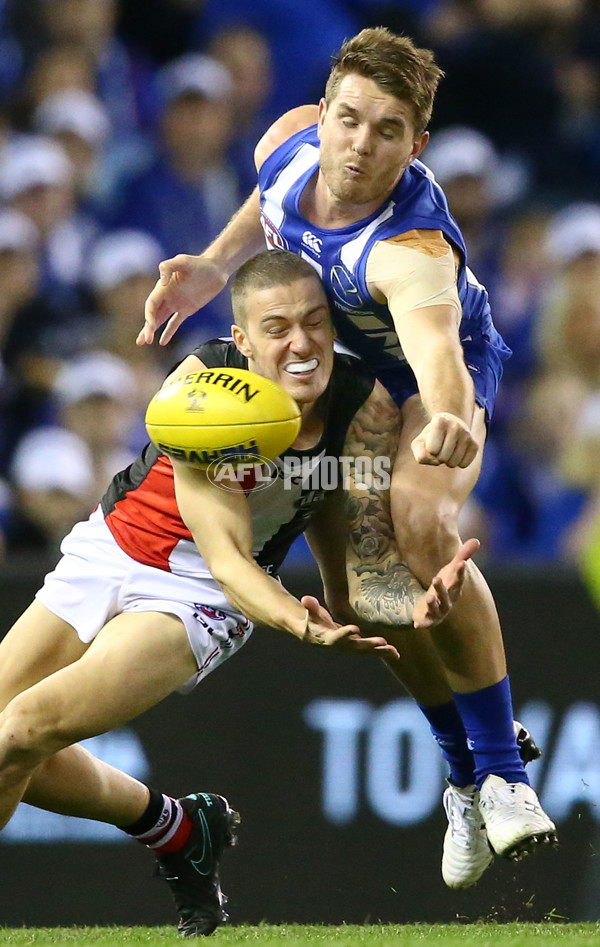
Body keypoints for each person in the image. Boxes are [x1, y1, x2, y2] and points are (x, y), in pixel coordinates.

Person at [140, 27, 557, 889]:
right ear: (323, 112)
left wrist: (450, 418)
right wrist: (213, 270)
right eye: (350, 119)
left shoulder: (412, 254)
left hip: (422, 382)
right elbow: (267, 202)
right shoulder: (286, 143)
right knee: (359, 596)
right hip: (345, 377)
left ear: (418, 145)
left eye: (389, 130)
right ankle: (462, 776)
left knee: (418, 521)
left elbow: (437, 352)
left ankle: (506, 777)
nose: (360, 146)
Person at [0, 250, 475, 936]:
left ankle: (173, 827)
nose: (301, 343)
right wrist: (300, 624)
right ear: (243, 340)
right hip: (117, 544)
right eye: (276, 327)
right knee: (9, 736)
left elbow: (356, 562)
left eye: (313, 322)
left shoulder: (363, 407)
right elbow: (226, 554)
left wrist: (409, 602)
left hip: (196, 600)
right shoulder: (203, 384)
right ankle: (177, 826)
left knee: (19, 729)